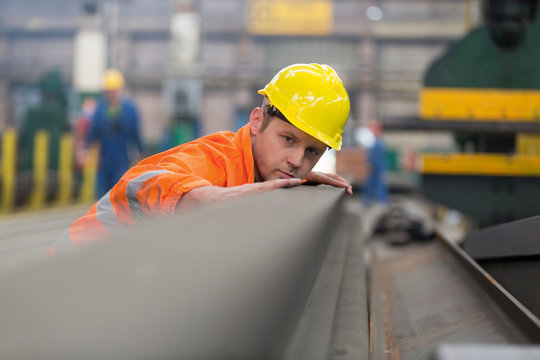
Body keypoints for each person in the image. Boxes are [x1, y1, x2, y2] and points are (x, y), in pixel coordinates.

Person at [47, 63, 353, 255]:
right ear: (257, 121)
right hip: (70, 269)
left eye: (312, 151)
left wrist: (291, 182)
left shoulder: (261, 171)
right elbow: (138, 182)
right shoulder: (215, 163)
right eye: (288, 140)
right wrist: (194, 197)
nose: (297, 160)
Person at [87, 69, 145, 198]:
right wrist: (85, 150)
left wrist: (141, 153)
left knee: (119, 193)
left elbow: (136, 134)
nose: (112, 94)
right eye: (109, 91)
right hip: (104, 161)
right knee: (102, 195)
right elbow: (93, 134)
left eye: (114, 90)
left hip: (122, 160)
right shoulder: (100, 111)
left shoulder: (130, 110)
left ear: (121, 90)